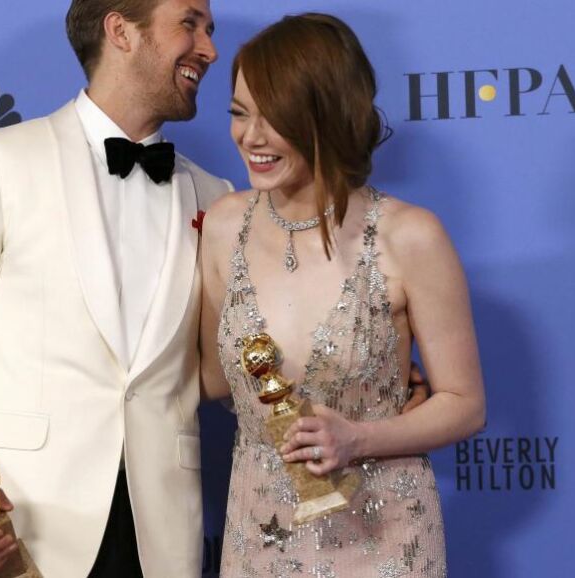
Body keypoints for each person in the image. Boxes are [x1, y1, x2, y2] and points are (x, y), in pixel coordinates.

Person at [0, 1, 227, 576]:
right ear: (121, 30)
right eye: (189, 24)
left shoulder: (215, 196)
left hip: (161, 541)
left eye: (210, 30)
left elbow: (228, 364)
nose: (210, 49)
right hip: (17, 528)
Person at [198, 13, 486, 577]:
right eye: (239, 113)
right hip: (259, 533)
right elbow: (211, 379)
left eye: (274, 117)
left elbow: (466, 404)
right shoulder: (225, 225)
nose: (250, 137)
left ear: (327, 115)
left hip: (381, 532)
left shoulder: (410, 235)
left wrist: (359, 437)